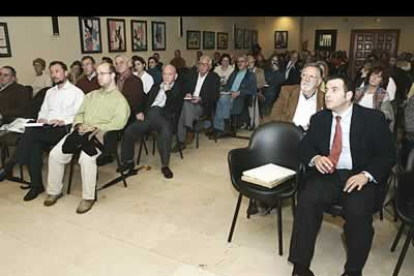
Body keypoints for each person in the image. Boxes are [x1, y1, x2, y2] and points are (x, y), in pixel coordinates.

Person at [289, 75, 395, 276]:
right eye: (326, 89)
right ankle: (300, 267)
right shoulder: (319, 118)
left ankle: (353, 271)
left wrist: (367, 175)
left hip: (359, 176)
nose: (327, 94)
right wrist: (316, 158)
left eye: (334, 90)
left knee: (358, 213)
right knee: (306, 200)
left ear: (349, 95)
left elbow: (388, 155)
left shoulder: (372, 119)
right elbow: (305, 146)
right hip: (329, 174)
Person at [44, 62, 130, 214]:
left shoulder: (120, 100)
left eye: (103, 73)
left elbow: (119, 122)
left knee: (86, 158)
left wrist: (96, 128)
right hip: (81, 132)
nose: (99, 77)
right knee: (55, 154)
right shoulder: (91, 95)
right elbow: (79, 114)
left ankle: (88, 197)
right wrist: (78, 125)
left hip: (100, 136)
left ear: (112, 75)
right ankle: (54, 191)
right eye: (98, 73)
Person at [0, 61, 85, 201]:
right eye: (52, 72)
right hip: (47, 128)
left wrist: (63, 120)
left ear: (65, 73)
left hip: (65, 128)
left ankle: (10, 166)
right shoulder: (50, 92)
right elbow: (43, 111)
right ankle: (36, 185)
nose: (54, 75)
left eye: (57, 71)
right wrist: (42, 119)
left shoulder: (76, 92)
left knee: (30, 135)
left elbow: (80, 115)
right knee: (33, 143)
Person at [119, 65, 183, 179]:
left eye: (170, 74)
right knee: (129, 130)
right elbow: (145, 100)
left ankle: (165, 165)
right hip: (149, 117)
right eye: (164, 74)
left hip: (165, 117)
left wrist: (168, 91)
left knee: (165, 130)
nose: (166, 77)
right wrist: (139, 111)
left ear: (176, 76)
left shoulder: (178, 88)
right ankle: (128, 161)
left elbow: (174, 107)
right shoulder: (156, 86)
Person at [172, 55, 220, 151]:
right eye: (200, 64)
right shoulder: (192, 75)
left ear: (209, 67)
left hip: (202, 106)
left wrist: (200, 98)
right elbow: (184, 89)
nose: (202, 66)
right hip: (189, 103)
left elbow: (214, 96)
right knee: (184, 107)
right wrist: (188, 93)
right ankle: (186, 133)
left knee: (183, 110)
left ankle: (185, 136)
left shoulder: (214, 77)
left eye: (205, 64)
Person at [210, 55, 256, 138]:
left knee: (222, 100)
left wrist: (239, 92)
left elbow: (252, 90)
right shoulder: (234, 73)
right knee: (220, 99)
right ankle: (222, 128)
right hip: (229, 94)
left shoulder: (251, 75)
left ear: (246, 63)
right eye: (238, 62)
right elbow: (228, 85)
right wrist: (226, 91)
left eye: (242, 61)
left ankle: (222, 128)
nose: (239, 63)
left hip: (240, 98)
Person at [273, 63, 325, 130]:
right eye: (304, 75)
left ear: (319, 81)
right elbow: (275, 116)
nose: (306, 79)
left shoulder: (324, 98)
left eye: (311, 76)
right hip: (289, 133)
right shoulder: (287, 92)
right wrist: (295, 129)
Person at [354, 64, 395, 131]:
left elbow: (387, 114)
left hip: (373, 127)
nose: (374, 78)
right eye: (372, 75)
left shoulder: (382, 94)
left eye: (378, 77)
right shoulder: (359, 91)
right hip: (357, 125)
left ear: (382, 80)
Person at [114, 55, 145, 122]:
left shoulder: (135, 81)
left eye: (121, 62)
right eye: (116, 63)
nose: (118, 65)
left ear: (128, 64)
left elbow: (135, 105)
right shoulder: (115, 79)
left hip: (130, 116)